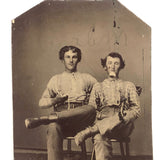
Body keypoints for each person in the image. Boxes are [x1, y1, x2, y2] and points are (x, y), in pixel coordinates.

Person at [25, 46, 97, 160]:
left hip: (81, 123)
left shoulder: (87, 78)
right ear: (62, 60)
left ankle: (47, 119)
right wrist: (56, 100)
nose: (71, 60)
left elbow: (101, 93)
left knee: (91, 108)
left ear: (78, 59)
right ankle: (52, 120)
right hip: (62, 123)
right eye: (67, 57)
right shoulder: (56, 79)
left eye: (74, 57)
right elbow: (41, 102)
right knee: (53, 127)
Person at [74, 52, 141, 160]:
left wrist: (123, 117)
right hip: (102, 122)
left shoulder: (128, 85)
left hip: (122, 126)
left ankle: (89, 131)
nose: (113, 66)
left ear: (121, 66)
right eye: (109, 63)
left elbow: (136, 110)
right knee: (99, 137)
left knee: (118, 118)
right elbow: (92, 109)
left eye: (116, 63)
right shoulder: (97, 86)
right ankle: (96, 130)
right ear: (105, 66)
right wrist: (103, 121)